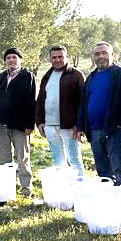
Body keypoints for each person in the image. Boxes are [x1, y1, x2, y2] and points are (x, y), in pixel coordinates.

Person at [76, 42, 121, 214]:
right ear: (93, 57)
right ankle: (110, 206)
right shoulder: (91, 77)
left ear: (112, 54)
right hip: (93, 131)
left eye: (104, 53)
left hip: (114, 130)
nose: (101, 56)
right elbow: (84, 104)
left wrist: (119, 124)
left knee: (120, 170)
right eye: (97, 54)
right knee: (103, 171)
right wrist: (81, 126)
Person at [0, 47, 37, 197]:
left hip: (20, 127)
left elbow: (31, 102)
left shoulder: (27, 76)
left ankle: (26, 189)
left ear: (20, 60)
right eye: (8, 58)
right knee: (4, 159)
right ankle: (7, 189)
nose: (11, 60)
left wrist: (30, 124)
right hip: (1, 125)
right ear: (5, 61)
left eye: (14, 58)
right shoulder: (1, 77)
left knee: (22, 158)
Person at [36, 45, 85, 176]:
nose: (57, 60)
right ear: (50, 59)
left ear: (66, 57)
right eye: (54, 57)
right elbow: (41, 99)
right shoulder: (47, 76)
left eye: (60, 57)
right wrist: (40, 122)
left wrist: (79, 125)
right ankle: (65, 191)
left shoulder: (76, 75)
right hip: (50, 126)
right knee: (58, 161)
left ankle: (79, 190)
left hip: (69, 127)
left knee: (74, 160)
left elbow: (83, 102)